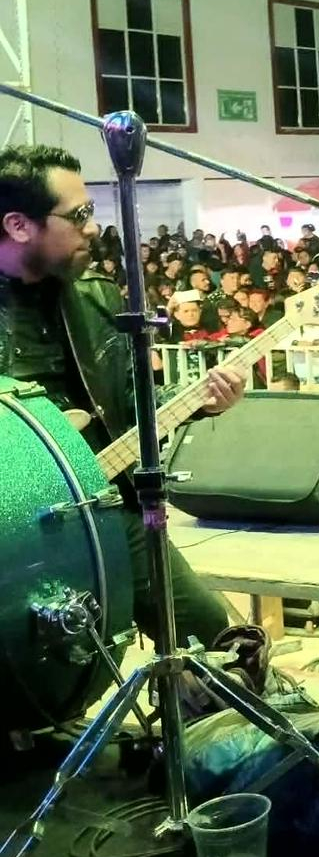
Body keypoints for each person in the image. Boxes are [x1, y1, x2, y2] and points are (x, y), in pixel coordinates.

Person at [0, 145, 243, 654]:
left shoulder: (96, 295)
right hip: (16, 533)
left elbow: (131, 399)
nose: (93, 228)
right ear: (19, 226)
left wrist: (199, 399)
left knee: (207, 628)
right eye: (78, 215)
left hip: (108, 502)